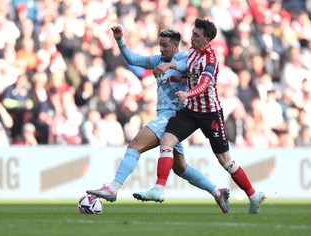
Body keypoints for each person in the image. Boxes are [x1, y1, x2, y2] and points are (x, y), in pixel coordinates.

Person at [86, 25, 230, 213]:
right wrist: (120, 40)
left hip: (172, 115)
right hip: (169, 120)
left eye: (165, 45)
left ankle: (113, 188)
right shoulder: (158, 60)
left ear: (176, 44)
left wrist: (170, 66)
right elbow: (133, 59)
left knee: (135, 145)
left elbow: (187, 67)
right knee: (181, 168)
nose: (161, 49)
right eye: (159, 45)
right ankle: (217, 192)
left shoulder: (185, 58)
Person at [134, 19, 265, 214]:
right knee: (166, 140)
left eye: (196, 35)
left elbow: (204, 84)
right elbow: (192, 75)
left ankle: (253, 196)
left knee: (225, 161)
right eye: (192, 33)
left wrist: (187, 93)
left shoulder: (211, 59)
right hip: (191, 111)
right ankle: (159, 189)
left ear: (207, 39)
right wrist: (177, 77)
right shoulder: (193, 53)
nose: (191, 37)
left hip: (210, 114)